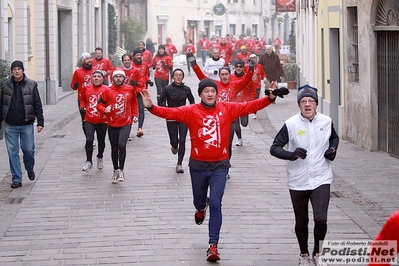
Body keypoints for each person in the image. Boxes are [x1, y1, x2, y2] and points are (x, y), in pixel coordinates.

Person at [141, 77, 288, 262]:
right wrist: (151, 107)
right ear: (200, 94)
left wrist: (270, 98)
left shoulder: (227, 108)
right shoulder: (190, 111)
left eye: (213, 91)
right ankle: (201, 208)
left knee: (217, 204)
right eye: (206, 91)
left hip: (220, 165)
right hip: (198, 166)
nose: (210, 94)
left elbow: (250, 106)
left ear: (216, 93)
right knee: (199, 201)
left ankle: (213, 246)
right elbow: (170, 113)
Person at [270, 85, 339, 266]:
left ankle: (318, 253)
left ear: (316, 103)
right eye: (303, 101)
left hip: (321, 177)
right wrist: (291, 154)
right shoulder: (291, 124)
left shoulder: (326, 121)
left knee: (320, 218)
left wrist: (332, 150)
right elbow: (274, 147)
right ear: (299, 104)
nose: (307, 105)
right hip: (298, 179)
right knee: (302, 220)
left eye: (311, 101)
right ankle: (304, 254)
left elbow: (334, 138)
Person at [0, 60, 44, 188]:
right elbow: (2, 104)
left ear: (23, 70)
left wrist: (40, 121)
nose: (17, 71)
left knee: (28, 150)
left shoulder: (31, 84)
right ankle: (16, 179)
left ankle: (29, 168)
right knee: (12, 152)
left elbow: (37, 104)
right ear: (12, 71)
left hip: (26, 123)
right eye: (14, 69)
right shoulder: (6, 85)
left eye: (19, 69)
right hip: (10, 124)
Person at [97, 69, 138, 184]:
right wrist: (104, 109)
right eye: (116, 77)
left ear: (124, 78)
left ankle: (121, 170)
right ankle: (115, 170)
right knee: (114, 148)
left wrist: (135, 115)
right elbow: (99, 104)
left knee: (122, 145)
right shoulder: (107, 90)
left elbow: (134, 102)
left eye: (121, 76)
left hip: (126, 122)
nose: (118, 79)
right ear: (112, 78)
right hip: (112, 123)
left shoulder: (129, 89)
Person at [158, 69, 195, 173]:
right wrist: (166, 110)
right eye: (176, 75)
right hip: (171, 117)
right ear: (173, 77)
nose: (178, 77)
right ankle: (174, 146)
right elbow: (160, 101)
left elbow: (192, 100)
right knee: (174, 141)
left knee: (182, 140)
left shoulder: (186, 89)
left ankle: (179, 163)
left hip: (183, 116)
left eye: (180, 75)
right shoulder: (167, 89)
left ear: (183, 77)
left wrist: (190, 109)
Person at [79, 70, 108, 172]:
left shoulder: (106, 89)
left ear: (102, 79)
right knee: (89, 139)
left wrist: (107, 110)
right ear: (91, 78)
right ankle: (88, 161)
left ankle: (100, 156)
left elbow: (110, 101)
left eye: (98, 76)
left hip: (102, 120)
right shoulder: (86, 88)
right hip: (89, 119)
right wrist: (82, 107)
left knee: (101, 141)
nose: (96, 78)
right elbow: (82, 99)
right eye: (94, 76)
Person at [229, 60, 256, 147]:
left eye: (240, 67)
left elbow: (253, 90)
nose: (238, 68)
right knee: (235, 124)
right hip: (234, 104)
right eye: (237, 66)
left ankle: (240, 135)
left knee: (244, 123)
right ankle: (240, 139)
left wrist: (251, 100)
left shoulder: (247, 77)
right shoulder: (231, 77)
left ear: (243, 67)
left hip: (244, 103)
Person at [70, 52, 95, 136]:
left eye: (90, 58)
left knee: (95, 118)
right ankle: (89, 137)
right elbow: (73, 86)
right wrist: (75, 85)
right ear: (83, 60)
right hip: (82, 99)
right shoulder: (78, 72)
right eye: (87, 59)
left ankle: (93, 135)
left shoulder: (95, 71)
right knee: (85, 119)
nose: (89, 60)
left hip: (94, 98)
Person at [131, 49, 154, 137]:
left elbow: (145, 75)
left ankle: (140, 128)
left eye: (140, 55)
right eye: (137, 55)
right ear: (134, 57)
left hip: (141, 90)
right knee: (130, 110)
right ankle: (127, 127)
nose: (139, 57)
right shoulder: (131, 66)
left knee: (141, 108)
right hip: (132, 91)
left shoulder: (144, 65)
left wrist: (149, 81)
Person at [247, 53, 267, 119]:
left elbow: (263, 73)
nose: (253, 60)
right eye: (252, 58)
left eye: (254, 58)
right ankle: (250, 109)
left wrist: (264, 78)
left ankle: (254, 112)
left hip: (257, 85)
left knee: (256, 99)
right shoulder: (247, 66)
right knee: (250, 99)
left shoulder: (259, 66)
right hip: (249, 85)